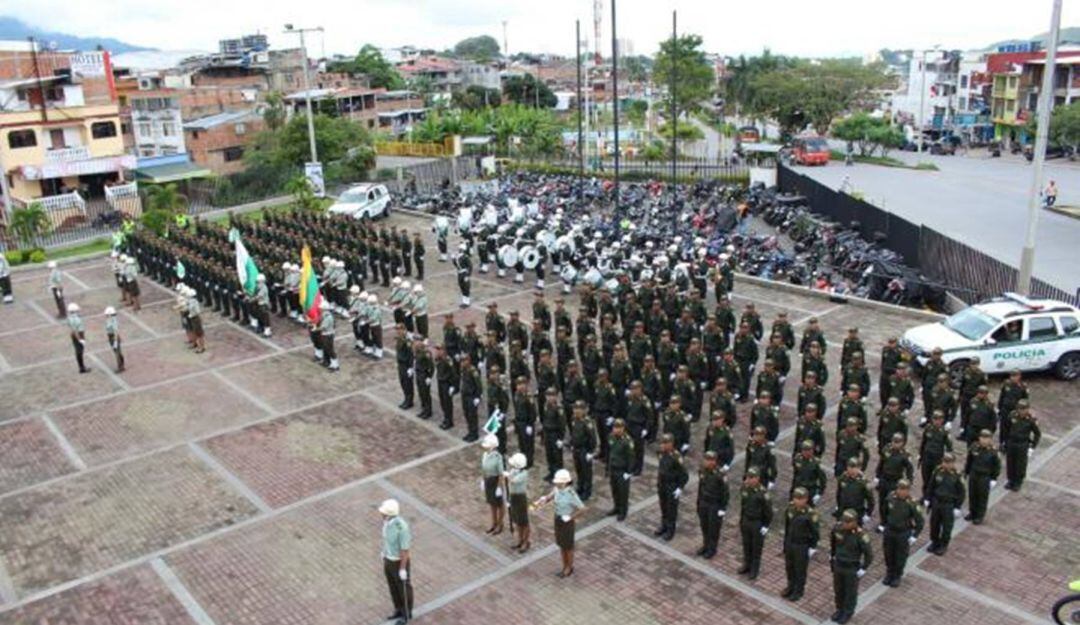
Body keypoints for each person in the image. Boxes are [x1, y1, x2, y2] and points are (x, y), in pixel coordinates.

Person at [533, 469, 585, 578]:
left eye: (559, 481)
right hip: (558, 519)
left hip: (567, 522)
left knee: (568, 546)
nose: (556, 483)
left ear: (565, 482)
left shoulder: (571, 494)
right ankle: (564, 565)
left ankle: (569, 567)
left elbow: (582, 508)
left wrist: (571, 517)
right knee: (561, 544)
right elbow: (549, 497)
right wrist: (541, 501)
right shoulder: (557, 489)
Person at [829, 509, 873, 624]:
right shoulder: (838, 528)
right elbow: (833, 542)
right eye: (844, 521)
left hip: (851, 568)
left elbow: (869, 554)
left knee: (850, 592)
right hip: (839, 564)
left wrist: (863, 568)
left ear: (854, 522)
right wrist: (832, 556)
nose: (845, 524)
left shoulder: (861, 535)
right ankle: (839, 609)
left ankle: (847, 612)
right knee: (838, 589)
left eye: (848, 522)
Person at [880, 479, 923, 587]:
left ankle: (897, 575)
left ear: (908, 491)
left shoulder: (912, 504)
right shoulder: (891, 498)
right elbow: (884, 510)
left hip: (903, 533)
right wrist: (884, 523)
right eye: (900, 488)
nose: (901, 491)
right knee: (888, 553)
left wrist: (915, 535)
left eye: (904, 489)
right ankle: (889, 573)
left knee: (900, 555)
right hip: (890, 530)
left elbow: (920, 521)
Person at [782, 487, 820, 602]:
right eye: (796, 498)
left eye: (800, 499)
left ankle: (798, 591)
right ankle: (790, 586)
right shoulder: (790, 509)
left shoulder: (811, 514)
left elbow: (815, 532)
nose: (798, 501)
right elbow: (787, 526)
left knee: (800, 569)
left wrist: (812, 547)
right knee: (790, 567)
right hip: (790, 542)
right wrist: (785, 543)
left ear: (806, 499)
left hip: (802, 545)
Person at [379, 498, 412, 625]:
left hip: (399, 562)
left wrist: (403, 568)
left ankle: (406, 614)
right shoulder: (387, 523)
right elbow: (387, 540)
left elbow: (405, 549)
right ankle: (398, 609)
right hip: (388, 559)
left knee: (403, 588)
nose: (381, 514)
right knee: (393, 586)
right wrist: (384, 552)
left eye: (383, 512)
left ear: (389, 514)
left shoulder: (401, 527)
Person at [926, 452, 965, 556]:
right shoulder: (938, 471)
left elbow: (961, 493)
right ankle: (934, 542)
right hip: (937, 501)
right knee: (934, 524)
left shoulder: (957, 475)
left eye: (949, 463)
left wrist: (957, 507)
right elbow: (931, 485)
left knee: (947, 527)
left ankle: (943, 545)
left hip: (948, 504)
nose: (946, 464)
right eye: (944, 462)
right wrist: (928, 499)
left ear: (953, 463)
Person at [738, 466, 773, 580]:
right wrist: (742, 519)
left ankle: (754, 569)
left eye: (752, 477)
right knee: (746, 544)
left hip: (757, 523)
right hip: (746, 520)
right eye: (748, 477)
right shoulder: (744, 488)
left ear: (758, 478)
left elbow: (768, 511)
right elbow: (743, 504)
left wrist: (766, 526)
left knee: (756, 548)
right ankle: (747, 565)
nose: (750, 479)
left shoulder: (763, 493)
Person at [655, 433, 690, 541]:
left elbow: (684, 475)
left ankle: (670, 530)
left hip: (672, 486)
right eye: (663, 443)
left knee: (671, 509)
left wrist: (680, 488)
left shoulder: (676, 457)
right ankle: (664, 525)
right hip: (662, 484)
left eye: (666, 443)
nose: (663, 445)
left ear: (671, 444)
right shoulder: (661, 453)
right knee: (663, 506)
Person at [697, 450, 730, 559]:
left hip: (714, 505)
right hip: (704, 502)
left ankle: (712, 549)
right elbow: (701, 487)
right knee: (704, 526)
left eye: (710, 460)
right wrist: (698, 502)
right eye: (706, 459)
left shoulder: (720, 475)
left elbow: (725, 493)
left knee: (713, 528)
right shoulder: (702, 471)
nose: (707, 462)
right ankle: (705, 545)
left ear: (715, 461)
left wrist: (722, 508)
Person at [964, 429, 1001, 524]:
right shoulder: (974, 447)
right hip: (974, 474)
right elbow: (969, 460)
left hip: (984, 476)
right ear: (979, 438)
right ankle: (972, 512)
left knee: (982, 497)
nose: (984, 440)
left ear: (990, 439)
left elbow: (996, 466)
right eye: (982, 438)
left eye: (986, 438)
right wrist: (966, 472)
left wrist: (994, 478)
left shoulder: (993, 452)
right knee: (972, 494)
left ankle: (979, 516)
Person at [1003, 399, 1040, 491]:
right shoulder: (1012, 415)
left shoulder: (1031, 420)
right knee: (1010, 462)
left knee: (1020, 464)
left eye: (1023, 409)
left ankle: (1018, 482)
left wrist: (1032, 447)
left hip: (1022, 444)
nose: (1021, 411)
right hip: (1012, 442)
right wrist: (1005, 440)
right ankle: (1010, 480)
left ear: (1027, 409)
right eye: (1019, 409)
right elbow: (1006, 427)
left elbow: (1037, 434)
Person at [569, 400, 598, 501]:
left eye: (579, 409)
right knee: (579, 469)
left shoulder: (587, 423)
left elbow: (593, 439)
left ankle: (587, 491)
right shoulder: (574, 419)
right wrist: (572, 443)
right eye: (575, 408)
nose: (576, 411)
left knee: (586, 472)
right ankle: (580, 487)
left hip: (584, 450)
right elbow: (573, 433)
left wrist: (590, 452)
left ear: (584, 410)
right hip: (576, 449)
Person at [606, 419, 634, 521]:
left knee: (623, 492)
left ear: (623, 428)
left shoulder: (627, 441)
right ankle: (616, 507)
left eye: (618, 428)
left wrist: (629, 472)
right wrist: (608, 468)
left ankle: (623, 511)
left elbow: (631, 458)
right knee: (615, 490)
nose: (615, 430)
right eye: (614, 427)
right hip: (613, 467)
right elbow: (610, 453)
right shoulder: (611, 437)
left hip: (622, 470)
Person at [480, 435, 506, 535]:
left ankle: (500, 524)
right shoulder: (485, 455)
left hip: (495, 481)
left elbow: (500, 474)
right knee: (491, 503)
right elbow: (483, 468)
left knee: (499, 505)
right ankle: (494, 523)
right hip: (488, 480)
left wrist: (499, 487)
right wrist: (483, 480)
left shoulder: (497, 457)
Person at [507, 452, 531, 553]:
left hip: (521, 498)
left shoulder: (524, 474)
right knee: (517, 521)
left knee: (524, 522)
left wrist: (507, 475)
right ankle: (520, 540)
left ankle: (526, 542)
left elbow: (513, 480)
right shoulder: (514, 470)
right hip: (513, 496)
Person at [66, 303, 90, 373]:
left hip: (75, 335)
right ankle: (82, 367)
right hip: (79, 335)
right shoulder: (75, 319)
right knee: (79, 351)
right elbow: (75, 331)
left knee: (79, 351)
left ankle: (81, 367)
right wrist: (80, 339)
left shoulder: (69, 317)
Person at [104, 306, 125, 373]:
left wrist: (115, 340)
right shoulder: (109, 320)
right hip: (111, 336)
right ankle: (121, 364)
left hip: (113, 337)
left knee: (117, 352)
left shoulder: (113, 321)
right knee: (117, 351)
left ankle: (120, 366)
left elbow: (116, 331)